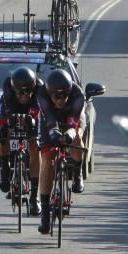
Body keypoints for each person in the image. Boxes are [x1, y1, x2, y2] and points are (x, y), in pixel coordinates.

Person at [37, 69, 86, 234]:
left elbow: (73, 123)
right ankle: (44, 214)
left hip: (72, 115)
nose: (59, 100)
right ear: (49, 93)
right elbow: (49, 119)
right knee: (47, 159)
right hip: (50, 119)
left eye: (63, 96)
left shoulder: (77, 94)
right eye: (55, 96)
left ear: (69, 92)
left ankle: (77, 174)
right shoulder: (42, 93)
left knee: (77, 139)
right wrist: (54, 132)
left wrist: (70, 133)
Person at [0, 66, 42, 215]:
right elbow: (8, 111)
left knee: (34, 145)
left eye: (27, 92)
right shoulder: (8, 87)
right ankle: (4, 167)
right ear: (13, 87)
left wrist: (30, 121)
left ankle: (35, 196)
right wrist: (9, 124)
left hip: (32, 110)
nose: (23, 95)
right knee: (3, 132)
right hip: (10, 107)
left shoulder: (40, 88)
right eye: (20, 92)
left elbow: (36, 112)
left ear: (33, 87)